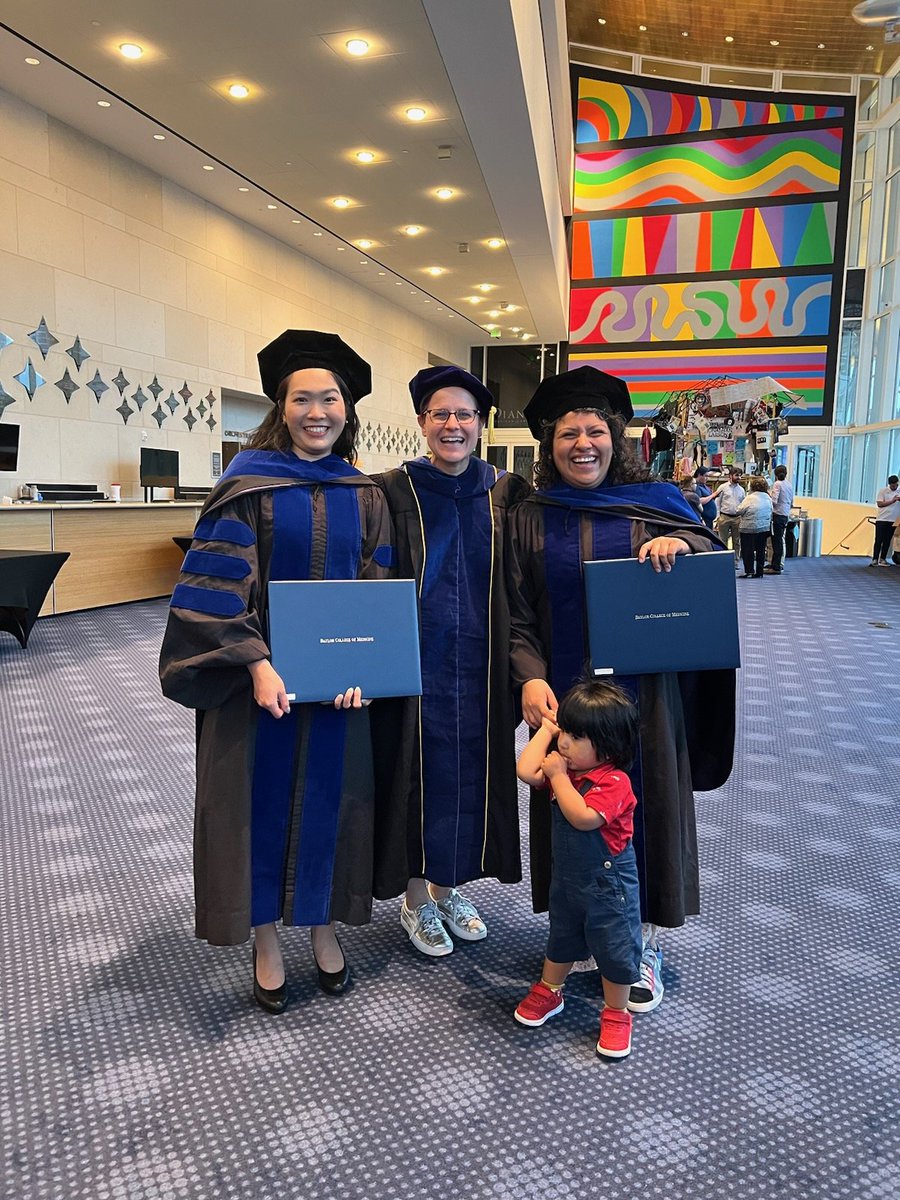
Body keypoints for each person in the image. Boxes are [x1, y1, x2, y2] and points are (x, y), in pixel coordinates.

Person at [159, 330, 396, 1014]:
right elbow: (213, 589)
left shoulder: (365, 494)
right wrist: (258, 662)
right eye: (303, 398)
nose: (317, 410)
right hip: (254, 686)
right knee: (257, 807)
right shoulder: (247, 488)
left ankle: (321, 926)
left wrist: (361, 667)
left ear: (347, 409)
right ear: (282, 406)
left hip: (334, 689)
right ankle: (265, 939)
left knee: (331, 800)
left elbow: (374, 586)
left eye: (330, 398)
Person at [506, 365, 735, 1017]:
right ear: (550, 447)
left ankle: (645, 945)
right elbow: (517, 613)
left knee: (648, 811)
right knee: (568, 811)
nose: (584, 442)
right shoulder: (531, 517)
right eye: (569, 433)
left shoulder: (659, 504)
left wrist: (680, 544)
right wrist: (530, 674)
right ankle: (577, 935)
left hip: (645, 705)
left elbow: (706, 557)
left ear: (618, 437)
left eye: (596, 430)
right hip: (564, 706)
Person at [372, 366, 530, 956]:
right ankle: (415, 901)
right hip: (416, 663)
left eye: (464, 414)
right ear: (421, 422)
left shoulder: (505, 491)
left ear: (481, 424)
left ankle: (449, 886)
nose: (453, 425)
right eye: (440, 414)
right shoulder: (391, 489)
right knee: (417, 772)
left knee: (471, 774)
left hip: (484, 666)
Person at [514, 681, 643, 1061]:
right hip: (569, 880)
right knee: (563, 935)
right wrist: (548, 732)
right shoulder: (567, 769)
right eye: (566, 732)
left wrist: (557, 777)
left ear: (608, 746)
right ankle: (550, 988)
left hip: (608, 886)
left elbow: (584, 818)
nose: (565, 744)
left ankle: (616, 1013)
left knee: (614, 946)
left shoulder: (614, 782)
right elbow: (525, 770)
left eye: (576, 736)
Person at [737, 476, 773, 579]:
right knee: (761, 550)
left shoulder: (750, 497)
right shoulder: (768, 498)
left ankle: (749, 571)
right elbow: (771, 510)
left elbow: (739, 510)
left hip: (748, 527)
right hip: (763, 528)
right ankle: (760, 572)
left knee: (748, 550)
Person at [711, 467, 746, 564]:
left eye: (740, 475)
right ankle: (724, 561)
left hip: (737, 518)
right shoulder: (723, 487)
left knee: (737, 541)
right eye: (737, 475)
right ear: (730, 476)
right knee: (722, 540)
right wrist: (717, 517)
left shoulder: (742, 490)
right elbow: (717, 503)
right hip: (724, 516)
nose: (739, 477)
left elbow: (743, 504)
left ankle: (736, 562)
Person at [766, 465, 794, 574]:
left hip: (777, 515)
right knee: (781, 540)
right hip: (785, 515)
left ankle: (776, 567)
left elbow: (774, 501)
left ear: (775, 474)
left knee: (776, 541)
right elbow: (792, 502)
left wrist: (768, 495)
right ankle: (777, 563)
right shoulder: (789, 484)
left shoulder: (777, 484)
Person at [871, 474, 900, 566]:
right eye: (892, 486)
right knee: (879, 539)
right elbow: (880, 504)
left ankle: (882, 559)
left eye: (896, 485)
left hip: (893, 520)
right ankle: (875, 559)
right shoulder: (883, 491)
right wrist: (893, 500)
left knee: (887, 540)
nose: (894, 487)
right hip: (882, 519)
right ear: (889, 484)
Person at [693, 466, 717, 531]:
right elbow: (699, 501)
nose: (707, 478)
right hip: (703, 520)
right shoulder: (695, 486)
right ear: (699, 475)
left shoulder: (704, 486)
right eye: (705, 476)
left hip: (709, 520)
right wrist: (712, 496)